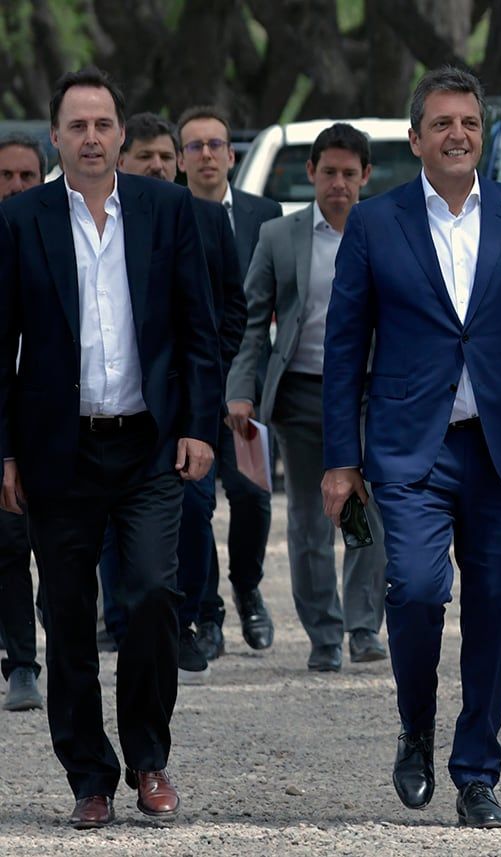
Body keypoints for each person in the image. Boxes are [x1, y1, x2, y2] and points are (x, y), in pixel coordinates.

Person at [321, 66, 501, 828]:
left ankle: (476, 772)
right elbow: (344, 347)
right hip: (411, 449)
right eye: (441, 123)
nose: (457, 135)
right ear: (415, 139)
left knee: (496, 610)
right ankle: (416, 725)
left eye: (468, 122)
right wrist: (342, 458)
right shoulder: (376, 223)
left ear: (482, 133)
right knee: (416, 588)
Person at [0, 67, 223, 828]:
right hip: (59, 452)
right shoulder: (21, 220)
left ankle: (149, 757)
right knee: (67, 615)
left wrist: (199, 425)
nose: (91, 138)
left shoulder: (167, 210)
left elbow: (199, 332)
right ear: (55, 136)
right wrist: (4, 454)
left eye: (103, 125)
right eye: (76, 126)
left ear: (122, 133)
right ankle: (89, 775)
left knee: (155, 594)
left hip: (149, 446)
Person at [226, 123, 387, 672]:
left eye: (349, 173)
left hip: (368, 392)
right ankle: (323, 633)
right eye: (328, 172)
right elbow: (253, 323)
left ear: (366, 176)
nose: (338, 183)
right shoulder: (281, 236)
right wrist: (241, 391)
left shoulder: (383, 233)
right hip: (300, 392)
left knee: (365, 511)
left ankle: (364, 626)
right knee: (310, 519)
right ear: (311, 174)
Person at [114, 112, 246, 683]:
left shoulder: (207, 219)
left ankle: (191, 618)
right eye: (147, 157)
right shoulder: (106, 222)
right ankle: (123, 619)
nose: (159, 166)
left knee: (194, 511)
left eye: (167, 157)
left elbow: (227, 309)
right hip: (115, 405)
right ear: (125, 160)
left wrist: (205, 377)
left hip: (190, 404)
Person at [177, 105, 279, 660]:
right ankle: (208, 612)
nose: (208, 155)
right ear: (180, 160)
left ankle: (247, 585)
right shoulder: (170, 215)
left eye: (216, 144)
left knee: (252, 495)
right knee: (195, 504)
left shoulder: (265, 215)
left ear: (232, 154)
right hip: (191, 392)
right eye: (195, 147)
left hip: (251, 389)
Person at [0, 134, 47, 713]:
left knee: (59, 544)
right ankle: (21, 664)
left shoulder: (57, 235)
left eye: (26, 176)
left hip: (56, 414)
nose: (14, 187)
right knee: (8, 541)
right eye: (5, 176)